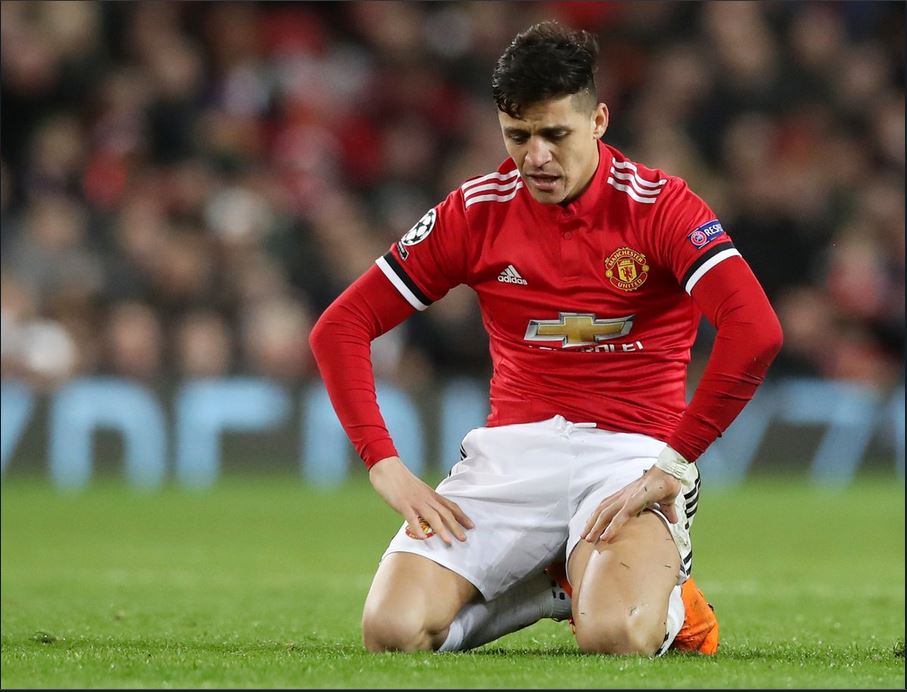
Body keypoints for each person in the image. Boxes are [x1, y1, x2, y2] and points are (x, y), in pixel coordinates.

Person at [309, 21, 782, 656]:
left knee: (616, 637)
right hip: (512, 459)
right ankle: (553, 584)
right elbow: (340, 327)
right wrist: (383, 464)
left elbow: (755, 330)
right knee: (391, 633)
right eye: (518, 135)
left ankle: (674, 607)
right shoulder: (475, 211)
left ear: (599, 120)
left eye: (555, 134)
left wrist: (675, 462)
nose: (535, 157)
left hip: (629, 457)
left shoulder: (661, 206)